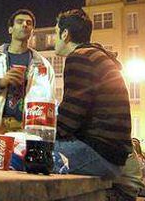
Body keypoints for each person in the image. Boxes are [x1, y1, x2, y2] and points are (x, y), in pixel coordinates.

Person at [53, 9, 132, 178]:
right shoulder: (95, 55)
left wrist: (41, 133)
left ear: (65, 34)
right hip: (112, 155)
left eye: (55, 33)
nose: (54, 40)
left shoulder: (80, 57)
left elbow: (70, 118)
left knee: (23, 152)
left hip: (98, 153)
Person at [0, 9, 55, 148]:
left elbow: (49, 101)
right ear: (10, 29)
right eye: (20, 22)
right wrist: (1, 82)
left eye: (29, 23)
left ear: (32, 31)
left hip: (24, 130)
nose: (25, 24)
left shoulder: (44, 65)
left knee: (19, 168)